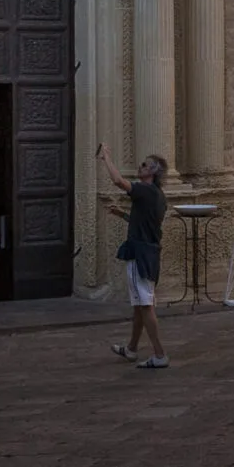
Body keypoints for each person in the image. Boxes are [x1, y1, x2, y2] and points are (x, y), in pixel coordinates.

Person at [98, 143, 169, 368]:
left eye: (145, 164)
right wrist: (123, 215)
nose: (140, 166)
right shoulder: (158, 196)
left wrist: (106, 158)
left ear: (153, 171)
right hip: (149, 252)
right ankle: (131, 349)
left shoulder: (145, 190)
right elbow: (146, 224)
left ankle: (159, 355)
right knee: (140, 304)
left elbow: (119, 181)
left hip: (141, 255)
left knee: (146, 305)